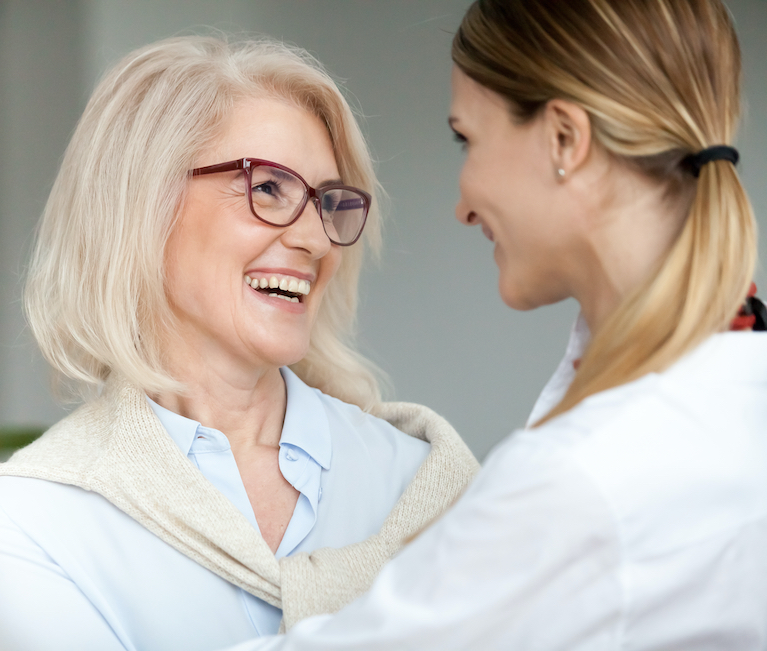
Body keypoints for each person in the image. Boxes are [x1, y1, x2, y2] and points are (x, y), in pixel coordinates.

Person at [212, 0, 764, 648]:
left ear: (565, 139)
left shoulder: (583, 480)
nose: (463, 205)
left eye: (467, 139)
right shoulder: (731, 384)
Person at [0, 36, 478, 651]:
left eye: (330, 204)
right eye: (268, 189)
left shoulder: (423, 477)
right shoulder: (28, 518)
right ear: (143, 204)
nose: (317, 240)